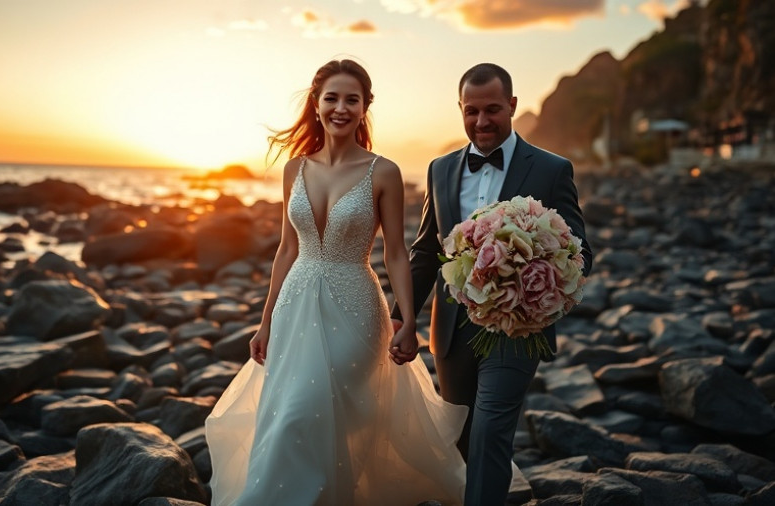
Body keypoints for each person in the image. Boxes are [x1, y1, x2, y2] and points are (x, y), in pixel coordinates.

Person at [205, 59, 468, 505]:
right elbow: (288, 249)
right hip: (295, 305)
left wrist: (408, 322)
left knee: (321, 417)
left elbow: (396, 253)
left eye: (352, 99)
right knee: (289, 417)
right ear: (316, 102)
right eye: (332, 98)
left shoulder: (382, 172)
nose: (340, 108)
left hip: (356, 307)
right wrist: (265, 321)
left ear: (366, 106)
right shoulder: (295, 169)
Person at [390, 63, 593, 505]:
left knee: (491, 430)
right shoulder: (439, 169)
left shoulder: (553, 169)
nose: (482, 121)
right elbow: (426, 252)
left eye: (493, 110)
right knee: (462, 436)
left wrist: (531, 283)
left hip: (517, 326)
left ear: (513, 106)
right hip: (451, 328)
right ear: (460, 110)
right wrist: (401, 319)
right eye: (472, 111)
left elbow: (580, 253)